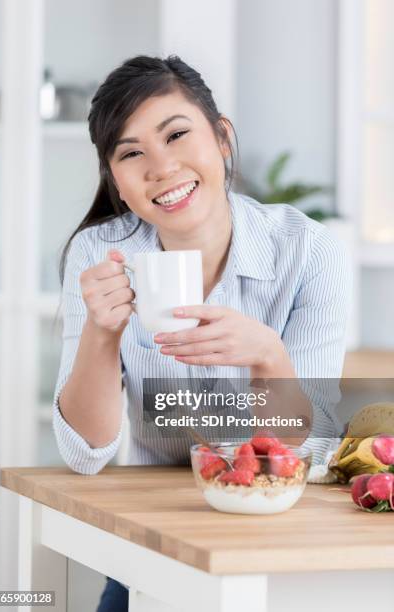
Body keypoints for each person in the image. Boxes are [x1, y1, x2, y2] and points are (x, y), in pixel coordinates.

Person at [52, 55, 350, 611]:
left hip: (275, 554)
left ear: (222, 137)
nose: (161, 168)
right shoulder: (100, 254)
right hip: (151, 549)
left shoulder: (308, 250)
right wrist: (101, 332)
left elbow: (312, 451)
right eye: (131, 153)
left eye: (177, 135)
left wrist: (268, 356)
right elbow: (85, 453)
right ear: (114, 177)